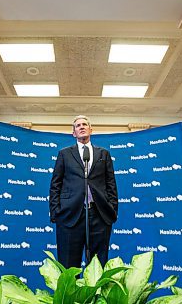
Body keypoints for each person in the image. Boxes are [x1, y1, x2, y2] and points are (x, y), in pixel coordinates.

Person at [49, 115, 118, 268]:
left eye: (84, 124)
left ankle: (96, 293)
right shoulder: (64, 154)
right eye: (77, 125)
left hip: (99, 215)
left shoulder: (103, 154)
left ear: (90, 129)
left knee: (97, 266)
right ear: (74, 133)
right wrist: (56, 212)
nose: (81, 127)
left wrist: (112, 209)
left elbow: (110, 184)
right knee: (68, 265)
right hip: (70, 215)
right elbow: (56, 185)